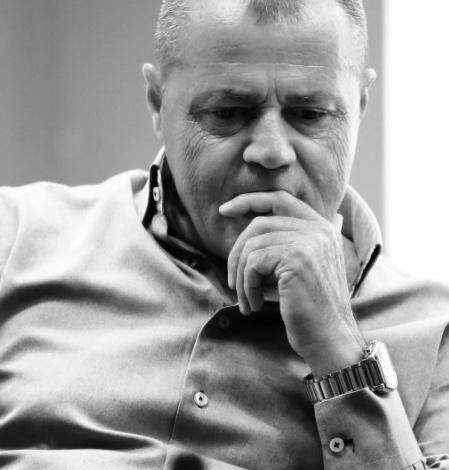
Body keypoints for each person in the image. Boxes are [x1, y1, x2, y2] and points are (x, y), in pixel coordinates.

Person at [0, 0, 448, 469]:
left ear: (360, 106)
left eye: (311, 114)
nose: (272, 152)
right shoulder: (17, 237)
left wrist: (342, 352)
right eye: (227, 112)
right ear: (157, 103)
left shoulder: (436, 334)